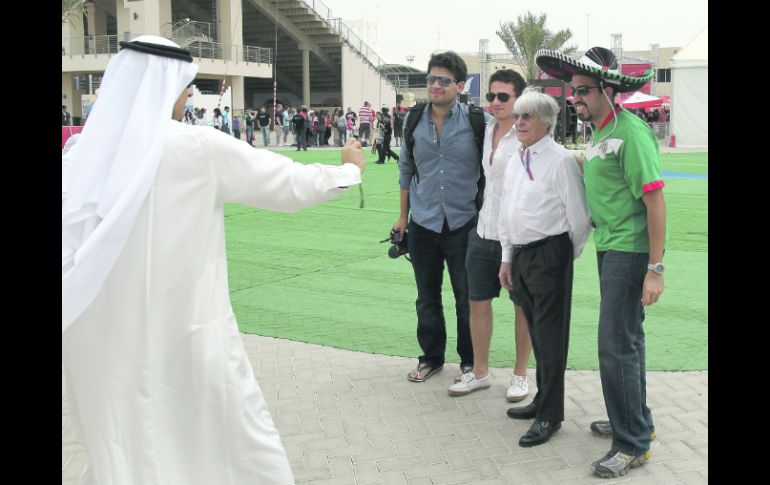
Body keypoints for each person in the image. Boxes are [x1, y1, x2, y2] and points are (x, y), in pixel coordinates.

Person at [61, 35, 366, 485]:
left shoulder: (78, 156)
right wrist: (348, 169)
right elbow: (288, 184)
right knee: (226, 434)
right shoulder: (197, 148)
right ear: (170, 89)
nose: (187, 102)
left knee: (123, 441)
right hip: (187, 329)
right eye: (186, 92)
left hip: (100, 338)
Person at [536, 46, 666, 477]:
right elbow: (599, 174)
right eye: (572, 92)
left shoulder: (630, 133)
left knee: (615, 348)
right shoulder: (600, 132)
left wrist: (655, 268)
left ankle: (631, 443)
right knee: (628, 342)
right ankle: (634, 420)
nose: (575, 99)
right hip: (609, 247)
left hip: (630, 252)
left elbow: (655, 201)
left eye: (584, 91)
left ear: (609, 91)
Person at [498, 89, 591, 448]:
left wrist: (564, 256)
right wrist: (507, 257)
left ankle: (551, 414)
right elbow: (508, 208)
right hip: (520, 255)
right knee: (538, 335)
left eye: (527, 117)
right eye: (518, 116)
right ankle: (541, 399)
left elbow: (579, 218)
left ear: (547, 123)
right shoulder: (516, 158)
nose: (519, 123)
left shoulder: (561, 160)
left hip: (549, 254)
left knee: (551, 340)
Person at [393, 51, 480, 383]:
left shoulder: (475, 121)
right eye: (431, 79)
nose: (436, 85)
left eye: (444, 80)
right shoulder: (413, 119)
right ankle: (431, 357)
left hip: (463, 222)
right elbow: (405, 169)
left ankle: (470, 362)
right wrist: (403, 217)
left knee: (465, 298)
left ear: (459, 85)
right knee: (427, 297)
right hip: (424, 222)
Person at [446, 70, 533, 403]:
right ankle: (480, 372)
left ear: (518, 100)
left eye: (503, 97)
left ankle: (520, 375)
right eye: (491, 96)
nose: (495, 103)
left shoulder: (528, 134)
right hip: (484, 229)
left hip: (519, 234)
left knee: (523, 305)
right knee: (476, 301)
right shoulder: (486, 131)